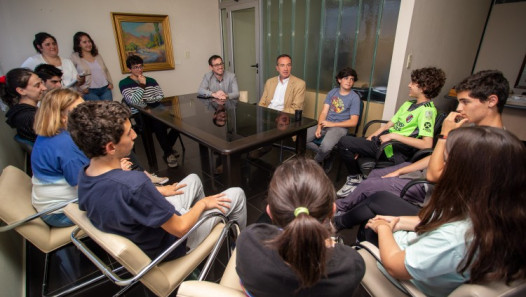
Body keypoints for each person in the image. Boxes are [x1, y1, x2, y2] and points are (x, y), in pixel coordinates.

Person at [68, 100, 247, 261]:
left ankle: (202, 227)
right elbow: (180, 228)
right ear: (110, 147)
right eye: (129, 133)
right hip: (172, 244)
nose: (134, 136)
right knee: (236, 194)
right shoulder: (134, 184)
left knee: (193, 179)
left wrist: (159, 190)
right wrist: (203, 204)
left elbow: (123, 198)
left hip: (149, 229)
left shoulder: (86, 174)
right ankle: (240, 251)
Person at [333, 70, 510, 230]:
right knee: (373, 176)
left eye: (465, 102)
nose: (458, 109)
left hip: (432, 191)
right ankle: (350, 211)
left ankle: (338, 214)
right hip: (421, 172)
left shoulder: (491, 145)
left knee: (369, 185)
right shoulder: (472, 132)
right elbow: (436, 157)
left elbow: (434, 174)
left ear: (492, 101)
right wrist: (401, 170)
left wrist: (445, 135)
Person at [364, 126, 526, 297]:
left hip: (403, 278)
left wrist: (383, 228)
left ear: (467, 174)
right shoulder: (499, 212)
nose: (441, 168)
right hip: (422, 255)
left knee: (365, 234)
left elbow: (395, 266)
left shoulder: (457, 238)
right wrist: (398, 222)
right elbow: (442, 223)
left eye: (447, 162)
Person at [236, 158, 364, 296]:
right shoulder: (351, 265)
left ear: (270, 212)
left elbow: (245, 287)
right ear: (333, 211)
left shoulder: (248, 241)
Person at [336, 67, 445, 197]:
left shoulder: (427, 112)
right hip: (381, 141)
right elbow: (387, 125)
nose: (409, 85)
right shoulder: (408, 104)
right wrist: (369, 138)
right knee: (353, 143)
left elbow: (426, 145)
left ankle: (354, 178)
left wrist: (394, 135)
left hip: (392, 150)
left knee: (344, 141)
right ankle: (356, 176)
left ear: (424, 87)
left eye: (413, 83)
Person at [31, 88, 86, 227]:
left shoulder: (50, 135)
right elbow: (86, 190)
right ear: (63, 117)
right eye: (80, 110)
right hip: (61, 213)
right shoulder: (65, 145)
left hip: (48, 206)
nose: (87, 113)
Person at [119, 55, 180, 168]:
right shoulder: (124, 83)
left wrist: (147, 100)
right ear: (129, 69)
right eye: (136, 67)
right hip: (139, 113)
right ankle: (168, 153)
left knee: (179, 123)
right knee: (158, 124)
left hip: (157, 109)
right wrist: (142, 85)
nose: (139, 69)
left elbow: (160, 96)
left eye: (141, 66)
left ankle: (168, 148)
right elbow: (132, 101)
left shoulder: (151, 80)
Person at [306, 67, 360, 172]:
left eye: (352, 79)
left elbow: (354, 122)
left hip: (339, 127)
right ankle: (327, 155)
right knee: (302, 138)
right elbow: (324, 112)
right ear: (339, 80)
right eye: (346, 78)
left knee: (325, 147)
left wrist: (332, 124)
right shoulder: (332, 92)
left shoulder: (354, 98)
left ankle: (313, 165)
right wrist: (319, 127)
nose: (349, 81)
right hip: (325, 123)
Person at [1, 68, 47, 142]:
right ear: (21, 91)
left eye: (41, 82)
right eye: (37, 85)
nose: (44, 88)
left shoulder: (25, 112)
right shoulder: (29, 117)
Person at [70, 32, 114, 101]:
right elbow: (73, 76)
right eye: (84, 42)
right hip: (89, 91)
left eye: (89, 41)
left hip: (105, 89)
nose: (88, 44)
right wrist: (81, 89)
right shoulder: (74, 57)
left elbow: (105, 70)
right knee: (96, 111)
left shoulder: (97, 55)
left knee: (109, 110)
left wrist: (110, 83)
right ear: (78, 44)